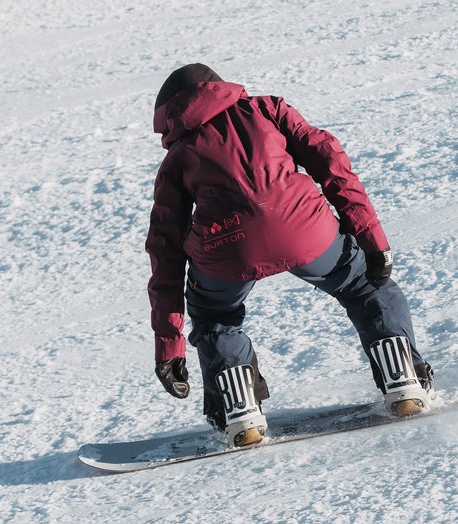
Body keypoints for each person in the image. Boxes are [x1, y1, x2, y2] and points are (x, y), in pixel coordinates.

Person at [147, 63, 436, 448]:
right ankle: (403, 380)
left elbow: (164, 246)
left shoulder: (178, 156)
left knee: (216, 317)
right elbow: (329, 160)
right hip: (303, 228)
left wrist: (170, 346)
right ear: (222, 88)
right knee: (365, 286)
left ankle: (241, 412)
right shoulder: (269, 110)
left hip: (226, 247)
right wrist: (373, 241)